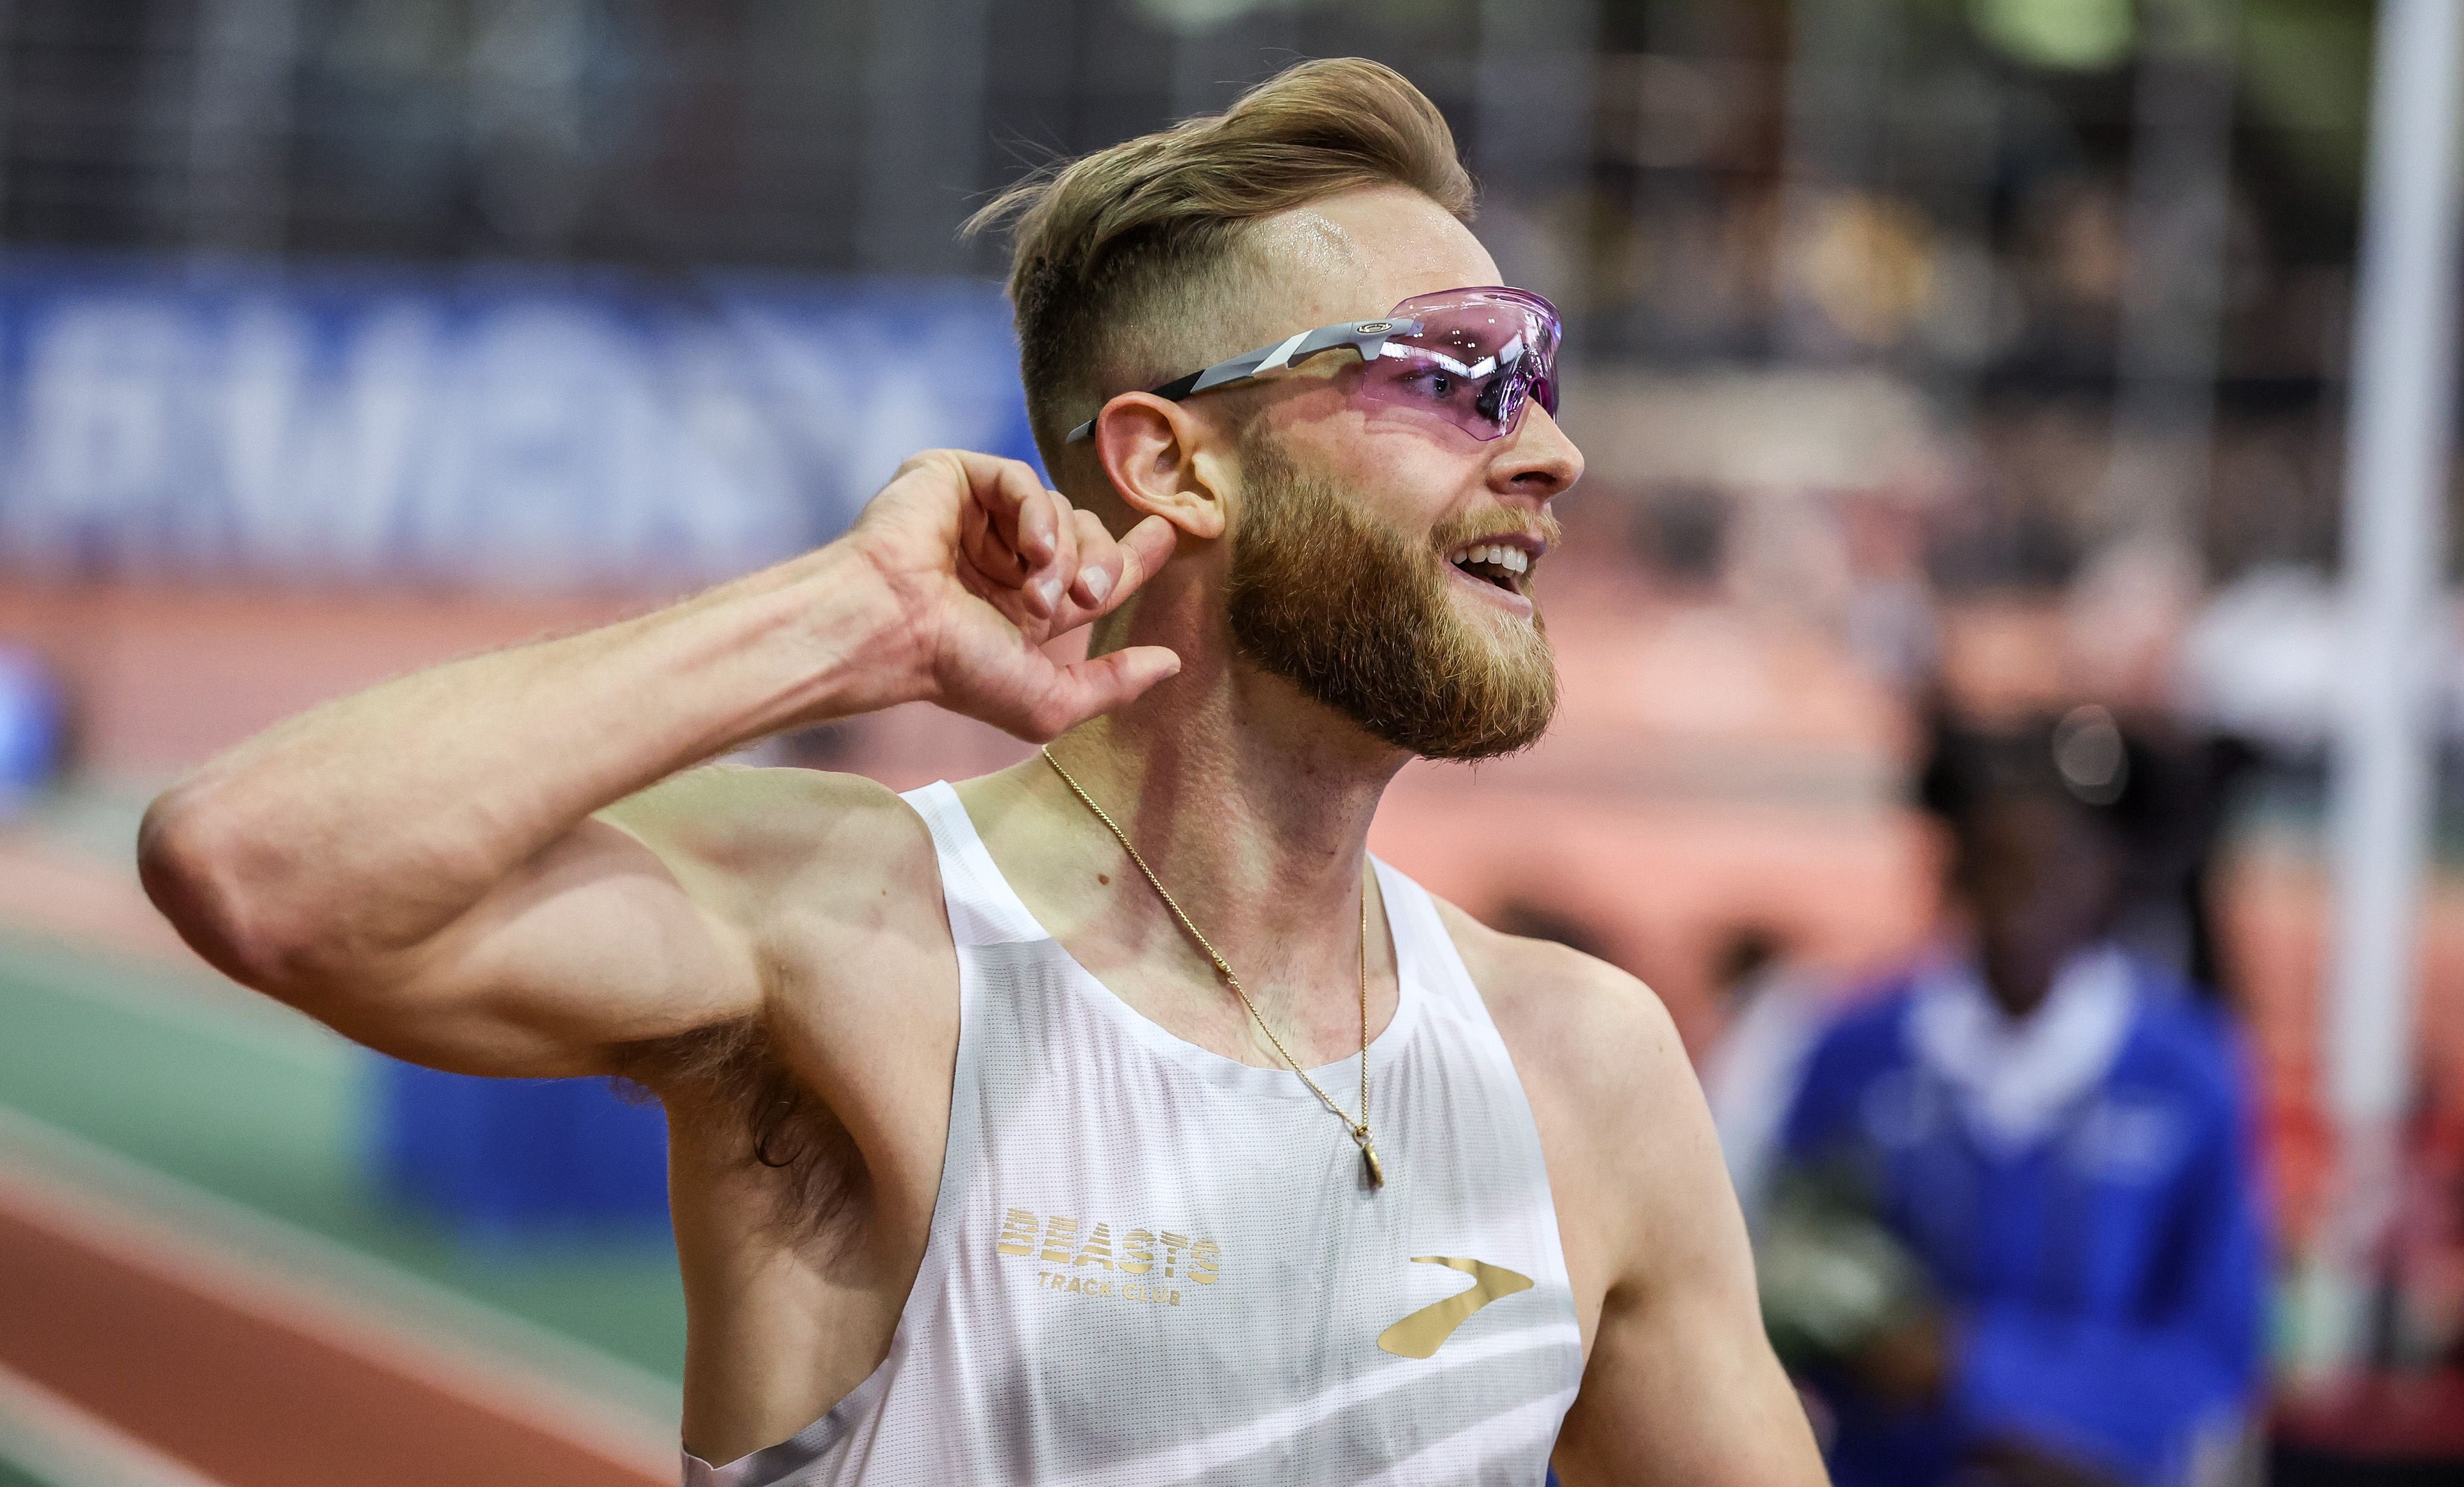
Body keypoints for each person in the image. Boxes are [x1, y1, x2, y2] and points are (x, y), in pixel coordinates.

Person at [136, 61, 1823, 1487]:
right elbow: (257, 861)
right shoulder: (864, 938)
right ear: (1173, 461)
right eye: (1452, 375)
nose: (1548, 445)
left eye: (1534, 378)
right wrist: (843, 614)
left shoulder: (1587, 1071)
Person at [1769, 718, 2265, 1487]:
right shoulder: (1856, 1049)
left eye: (2060, 860)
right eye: (2000, 860)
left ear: (2111, 875)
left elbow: (2216, 1346)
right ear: (1958, 867)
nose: (2024, 894)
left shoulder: (2188, 1072)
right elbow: (1780, 1264)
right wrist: (1853, 1340)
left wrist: (1978, 1368)